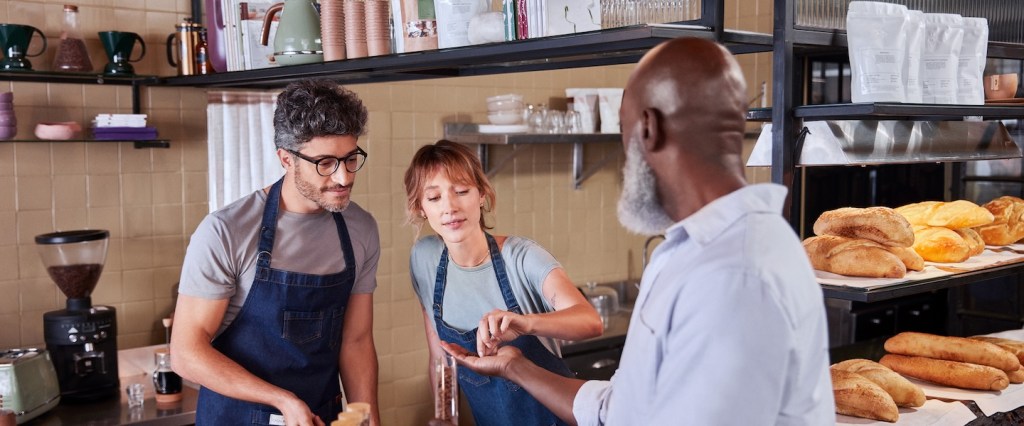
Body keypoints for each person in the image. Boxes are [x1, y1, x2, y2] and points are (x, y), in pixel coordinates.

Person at [439, 38, 835, 425]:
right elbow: (624, 408)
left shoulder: (734, 274)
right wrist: (516, 367)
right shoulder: (704, 249)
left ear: (649, 129)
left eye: (624, 135)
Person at [171, 79, 381, 426]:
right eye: (325, 163)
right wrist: (281, 400)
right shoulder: (226, 231)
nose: (343, 177)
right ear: (286, 158)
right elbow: (186, 353)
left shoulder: (361, 228)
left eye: (350, 158)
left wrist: (368, 417)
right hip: (236, 419)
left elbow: (355, 340)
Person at [404, 140, 603, 426]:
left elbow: (589, 320)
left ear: (482, 194)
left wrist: (524, 323)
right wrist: (444, 417)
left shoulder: (522, 257)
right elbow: (441, 354)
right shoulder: (425, 260)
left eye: (461, 191)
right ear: (421, 207)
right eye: (434, 198)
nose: (449, 207)